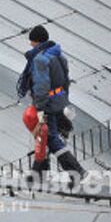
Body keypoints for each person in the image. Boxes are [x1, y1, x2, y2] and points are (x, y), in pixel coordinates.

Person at [16, 25, 86, 181]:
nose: (31, 45)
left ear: (37, 41)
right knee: (44, 136)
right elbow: (66, 80)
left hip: (47, 103)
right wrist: (64, 100)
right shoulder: (59, 55)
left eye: (31, 41)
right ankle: (38, 174)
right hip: (59, 100)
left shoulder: (40, 60)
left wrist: (40, 108)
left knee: (51, 137)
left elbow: (41, 85)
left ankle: (77, 171)